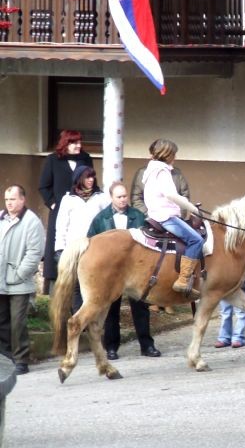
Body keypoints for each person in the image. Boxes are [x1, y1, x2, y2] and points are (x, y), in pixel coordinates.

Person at [87, 182, 161, 360]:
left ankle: (147, 345)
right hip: (111, 271)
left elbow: (148, 241)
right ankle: (111, 347)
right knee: (112, 310)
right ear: (111, 198)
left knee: (141, 307)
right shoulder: (101, 218)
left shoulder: (137, 216)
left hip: (136, 270)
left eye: (125, 196)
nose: (123, 200)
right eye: (119, 197)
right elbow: (92, 243)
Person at [131, 139, 191, 314]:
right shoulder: (146, 173)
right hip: (155, 217)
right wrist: (150, 214)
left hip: (174, 215)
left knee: (178, 250)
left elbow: (184, 193)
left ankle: (171, 294)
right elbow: (137, 197)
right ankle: (162, 291)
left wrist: (181, 213)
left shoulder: (177, 173)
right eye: (174, 154)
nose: (176, 157)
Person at [142, 139, 202, 299]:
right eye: (173, 153)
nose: (175, 157)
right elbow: (171, 195)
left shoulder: (151, 170)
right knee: (196, 240)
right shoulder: (161, 171)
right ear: (166, 154)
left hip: (156, 213)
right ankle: (183, 280)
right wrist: (193, 208)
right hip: (165, 216)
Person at [38, 130, 93, 294]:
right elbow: (44, 186)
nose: (79, 145)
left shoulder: (85, 159)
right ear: (65, 143)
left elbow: (91, 181)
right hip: (59, 212)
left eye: (80, 142)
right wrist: (53, 204)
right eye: (74, 142)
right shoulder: (53, 160)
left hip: (81, 212)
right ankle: (57, 287)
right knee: (58, 245)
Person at [0, 185, 45, 375]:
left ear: (22, 199)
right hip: (0, 278)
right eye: (7, 199)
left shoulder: (31, 221)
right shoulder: (1, 217)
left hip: (19, 281)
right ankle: (5, 357)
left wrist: (19, 274)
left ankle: (21, 360)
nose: (9, 203)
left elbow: (35, 253)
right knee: (1, 321)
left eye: (13, 199)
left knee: (18, 322)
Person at [55, 165, 110, 313]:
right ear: (79, 179)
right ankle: (79, 319)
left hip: (95, 249)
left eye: (92, 176)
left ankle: (92, 318)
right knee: (75, 287)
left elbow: (107, 222)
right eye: (87, 177)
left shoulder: (102, 197)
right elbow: (61, 225)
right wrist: (60, 248)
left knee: (93, 285)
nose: (91, 180)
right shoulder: (68, 199)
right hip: (73, 249)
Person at [214, 254, 245, 349]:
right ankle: (224, 338)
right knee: (225, 311)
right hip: (223, 278)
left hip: (241, 277)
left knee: (241, 311)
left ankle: (238, 338)